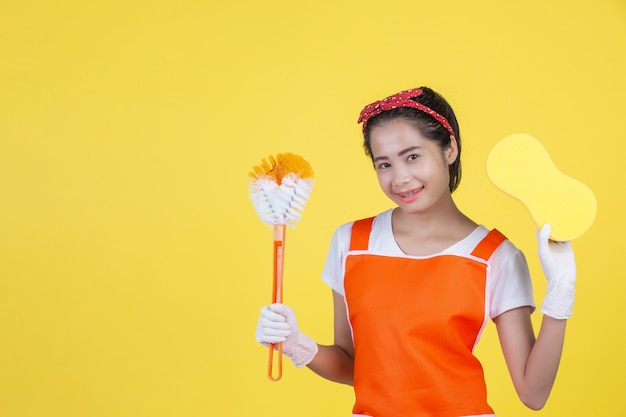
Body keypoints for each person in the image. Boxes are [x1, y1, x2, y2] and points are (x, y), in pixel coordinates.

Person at [255, 87, 576, 417]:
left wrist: (560, 292)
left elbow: (533, 393)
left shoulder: (494, 256)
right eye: (384, 164)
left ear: (449, 149)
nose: (400, 178)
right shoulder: (351, 243)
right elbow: (355, 367)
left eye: (412, 156)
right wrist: (296, 344)